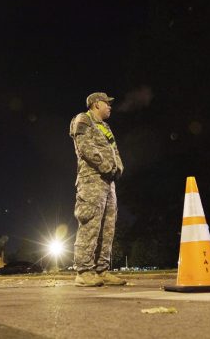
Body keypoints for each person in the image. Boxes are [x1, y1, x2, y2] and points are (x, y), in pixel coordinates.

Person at [69, 92, 126, 287]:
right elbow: (84, 148)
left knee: (108, 227)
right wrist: (106, 166)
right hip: (92, 180)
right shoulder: (83, 119)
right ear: (96, 104)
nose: (110, 106)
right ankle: (84, 271)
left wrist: (118, 167)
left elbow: (114, 150)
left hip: (109, 183)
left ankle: (101, 270)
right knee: (90, 222)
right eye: (107, 103)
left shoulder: (106, 126)